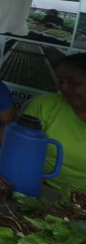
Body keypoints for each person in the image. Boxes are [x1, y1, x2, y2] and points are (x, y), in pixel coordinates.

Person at [24, 53, 86, 190]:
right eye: (60, 81)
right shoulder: (44, 105)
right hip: (36, 187)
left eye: (73, 83)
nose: (63, 88)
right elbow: (21, 152)